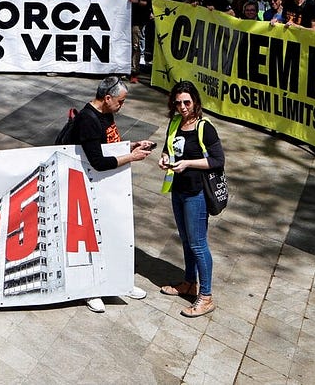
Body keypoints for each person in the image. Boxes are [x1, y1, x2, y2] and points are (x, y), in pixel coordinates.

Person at [62, 76, 156, 313]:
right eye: (121, 101)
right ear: (107, 98)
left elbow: (109, 145)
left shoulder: (106, 114)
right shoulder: (88, 121)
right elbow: (99, 162)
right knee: (91, 241)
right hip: (87, 188)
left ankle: (120, 282)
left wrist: (131, 146)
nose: (122, 106)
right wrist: (131, 158)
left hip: (107, 188)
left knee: (116, 235)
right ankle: (91, 290)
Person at [158, 80, 225, 318]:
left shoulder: (205, 127)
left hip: (197, 193)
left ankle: (206, 297)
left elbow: (218, 160)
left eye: (187, 102)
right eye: (178, 103)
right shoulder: (175, 122)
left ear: (195, 101)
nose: (183, 107)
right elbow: (170, 149)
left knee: (198, 244)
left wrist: (188, 164)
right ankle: (189, 283)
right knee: (186, 240)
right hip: (178, 190)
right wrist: (164, 157)